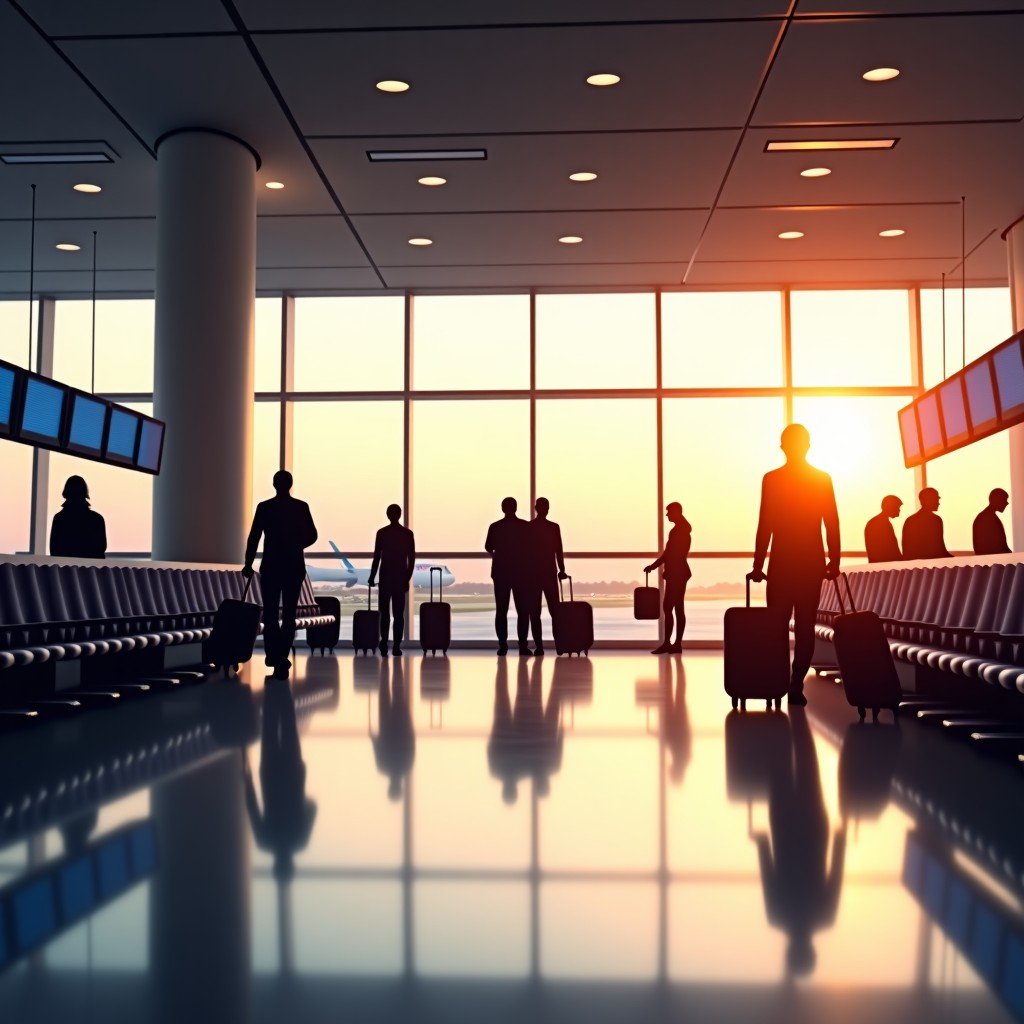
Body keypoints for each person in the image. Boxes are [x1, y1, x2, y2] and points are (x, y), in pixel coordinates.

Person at [750, 424, 840, 706]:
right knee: (805, 627)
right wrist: (833, 561)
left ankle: (775, 681)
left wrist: (758, 564)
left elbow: (765, 523)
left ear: (782, 447)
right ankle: (795, 683)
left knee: (775, 626)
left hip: (781, 563)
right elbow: (831, 522)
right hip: (810, 563)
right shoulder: (821, 479)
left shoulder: (772, 480)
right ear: (808, 445)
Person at [752, 709, 846, 978]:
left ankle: (796, 717)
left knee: (808, 765)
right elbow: (768, 875)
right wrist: (762, 843)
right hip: (784, 829)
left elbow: (836, 875)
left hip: (814, 829)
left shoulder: (824, 916)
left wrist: (840, 840)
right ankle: (782, 721)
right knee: (780, 770)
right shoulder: (777, 915)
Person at [243, 470, 318, 677]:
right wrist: (296, 545)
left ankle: (272, 654)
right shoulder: (300, 507)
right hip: (293, 566)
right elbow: (312, 535)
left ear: (274, 484)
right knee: (289, 614)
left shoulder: (265, 507)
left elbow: (254, 537)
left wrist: (248, 563)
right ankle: (282, 657)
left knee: (270, 613)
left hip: (271, 566)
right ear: (291, 484)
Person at [243, 677, 317, 882]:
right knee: (269, 726)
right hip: (270, 774)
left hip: (294, 775)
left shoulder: (300, 840)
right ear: (276, 866)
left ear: (290, 865)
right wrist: (246, 776)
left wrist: (302, 800)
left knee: (289, 725)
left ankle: (282, 686)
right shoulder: (264, 841)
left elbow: (312, 808)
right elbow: (251, 806)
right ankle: (272, 689)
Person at [485, 497, 532, 656]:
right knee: (523, 611)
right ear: (516, 508)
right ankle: (523, 645)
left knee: (501, 610)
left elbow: (488, 547)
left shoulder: (495, 527)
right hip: (521, 573)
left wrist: (498, 557)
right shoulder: (525, 527)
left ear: (502, 508)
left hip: (501, 572)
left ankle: (502, 645)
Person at [367, 504, 416, 657]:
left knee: (385, 614)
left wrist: (372, 576)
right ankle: (396, 645)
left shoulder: (382, 533)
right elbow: (411, 559)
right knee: (398, 614)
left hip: (385, 576)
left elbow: (377, 557)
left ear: (388, 515)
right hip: (400, 577)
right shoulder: (407, 534)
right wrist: (407, 578)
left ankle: (384, 643)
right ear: (400, 514)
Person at [645, 502, 692, 655]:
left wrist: (656, 566)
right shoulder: (682, 530)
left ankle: (669, 643)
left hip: (676, 575)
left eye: (669, 512)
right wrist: (655, 566)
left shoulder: (679, 531)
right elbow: (670, 554)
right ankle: (675, 644)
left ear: (676, 512)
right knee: (676, 608)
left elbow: (670, 554)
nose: (666, 515)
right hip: (678, 574)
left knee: (669, 608)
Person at [526, 497, 568, 656]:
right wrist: (561, 569)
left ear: (536, 508)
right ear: (547, 509)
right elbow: (559, 550)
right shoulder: (553, 527)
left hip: (533, 575)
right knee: (555, 611)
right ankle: (560, 644)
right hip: (549, 573)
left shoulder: (529, 528)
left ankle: (539, 647)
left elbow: (525, 553)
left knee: (534, 612)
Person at [372, 659, 415, 801]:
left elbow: (411, 744)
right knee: (385, 691)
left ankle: (393, 664)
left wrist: (409, 724)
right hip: (388, 726)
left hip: (400, 724)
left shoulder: (406, 766)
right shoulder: (383, 767)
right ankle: (387, 663)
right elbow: (377, 747)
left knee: (397, 692)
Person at [49, 475, 106, 558]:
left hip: (66, 569)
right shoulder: (97, 519)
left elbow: (54, 551)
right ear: (84, 494)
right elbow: (101, 549)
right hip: (90, 568)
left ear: (66, 493)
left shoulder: (59, 519)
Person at [901, 487, 951, 560]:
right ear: (928, 500)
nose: (938, 503)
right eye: (936, 499)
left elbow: (906, 551)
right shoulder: (936, 520)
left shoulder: (910, 520)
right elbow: (940, 549)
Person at [863, 495, 903, 563]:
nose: (899, 510)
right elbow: (891, 548)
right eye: (897, 507)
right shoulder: (882, 523)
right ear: (891, 507)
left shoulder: (876, 522)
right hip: (884, 565)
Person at [973, 488, 1011, 555]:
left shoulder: (985, 517)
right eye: (1005, 500)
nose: (1007, 503)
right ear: (997, 500)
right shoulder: (987, 519)